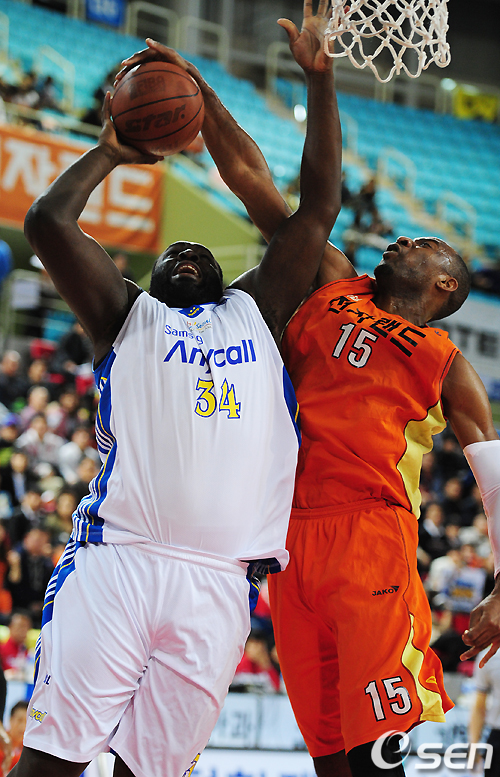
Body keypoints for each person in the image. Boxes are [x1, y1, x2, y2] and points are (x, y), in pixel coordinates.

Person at [14, 4, 340, 776]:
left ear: (231, 278)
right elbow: (48, 223)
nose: (187, 254)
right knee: (50, 764)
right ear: (150, 278)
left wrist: (320, 81)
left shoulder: (257, 312)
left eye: (201, 253)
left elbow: (319, 207)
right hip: (118, 561)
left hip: (221, 583)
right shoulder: (124, 314)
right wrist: (108, 151)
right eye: (174, 254)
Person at [173, 31, 500, 777]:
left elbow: (495, 481)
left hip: (369, 537)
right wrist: (200, 93)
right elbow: (254, 181)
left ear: (446, 283)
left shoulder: (448, 365)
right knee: (328, 754)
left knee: (375, 751)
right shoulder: (332, 281)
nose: (402, 239)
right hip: (287, 537)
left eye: (423, 242)